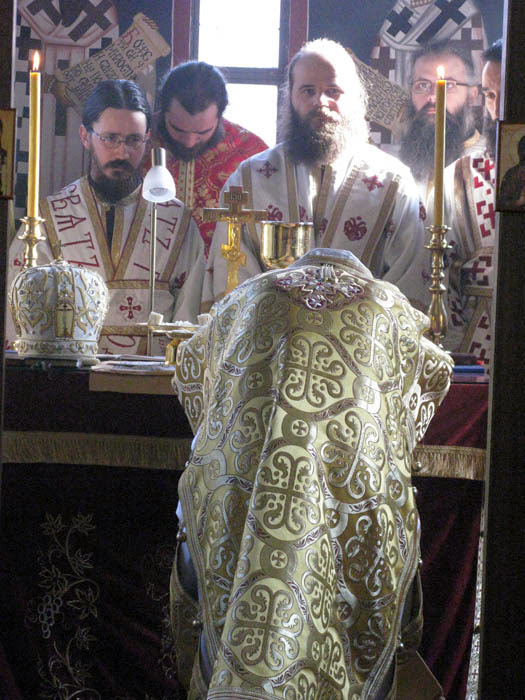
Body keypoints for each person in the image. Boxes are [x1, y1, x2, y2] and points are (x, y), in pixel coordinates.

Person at [171, 247, 453, 699]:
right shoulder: (391, 306)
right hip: (354, 505)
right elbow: (433, 376)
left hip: (240, 502)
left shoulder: (244, 297)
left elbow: (191, 370)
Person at [197, 38, 429, 314]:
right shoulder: (249, 180)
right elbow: (233, 275)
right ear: (290, 97)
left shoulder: (394, 183)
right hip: (271, 336)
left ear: (355, 99)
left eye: (334, 91)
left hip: (363, 338)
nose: (321, 102)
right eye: (308, 90)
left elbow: (408, 281)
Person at [5, 79, 204, 355]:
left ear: (147, 140)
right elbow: (21, 308)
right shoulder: (47, 219)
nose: (122, 152)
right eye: (110, 138)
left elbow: (190, 316)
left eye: (134, 140)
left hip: (153, 376)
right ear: (85, 137)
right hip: (69, 375)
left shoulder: (177, 220)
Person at [149, 61, 268, 253]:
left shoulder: (252, 154)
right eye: (178, 129)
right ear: (163, 111)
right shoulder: (137, 142)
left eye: (202, 132)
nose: (189, 142)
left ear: (219, 116)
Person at [435, 39, 502, 365]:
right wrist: (457, 353)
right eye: (491, 95)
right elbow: (439, 275)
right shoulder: (459, 177)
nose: (498, 109)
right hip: (477, 353)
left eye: (509, 92)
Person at [399, 41, 480, 204]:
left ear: (471, 96)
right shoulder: (396, 165)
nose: (433, 97)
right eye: (422, 85)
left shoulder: (488, 165)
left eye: (448, 85)